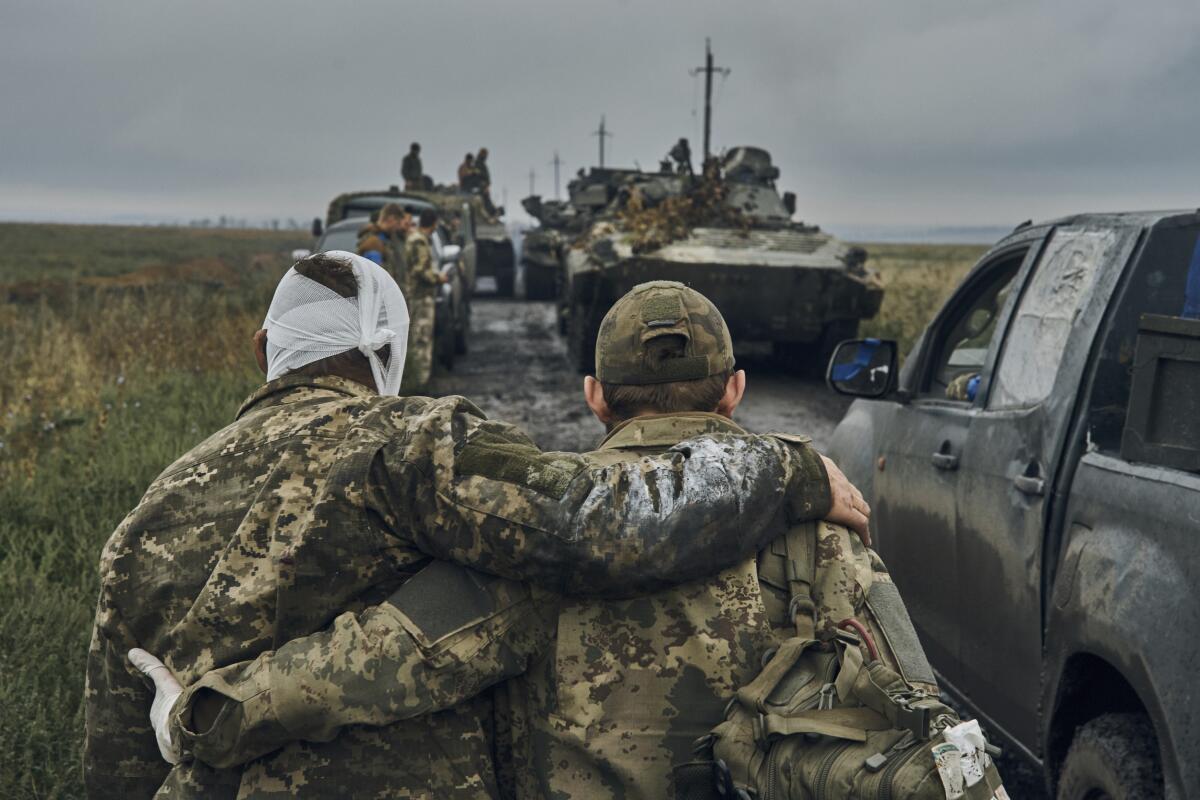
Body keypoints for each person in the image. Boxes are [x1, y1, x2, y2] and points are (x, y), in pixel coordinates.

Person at [85, 258, 868, 798]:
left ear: (596, 396)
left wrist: (209, 715)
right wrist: (786, 468)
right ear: (735, 388)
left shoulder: (137, 528)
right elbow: (583, 521)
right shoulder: (416, 447)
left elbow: (116, 762)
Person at [400, 208, 446, 392]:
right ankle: (420, 383)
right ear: (433, 223)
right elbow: (420, 270)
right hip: (421, 295)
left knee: (416, 337)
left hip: (414, 295)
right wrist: (437, 278)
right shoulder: (419, 240)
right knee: (422, 339)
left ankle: (416, 379)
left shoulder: (413, 238)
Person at [355, 202, 408, 286]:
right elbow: (375, 279)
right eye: (397, 223)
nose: (398, 228)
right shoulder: (373, 243)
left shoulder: (383, 240)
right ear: (391, 219)